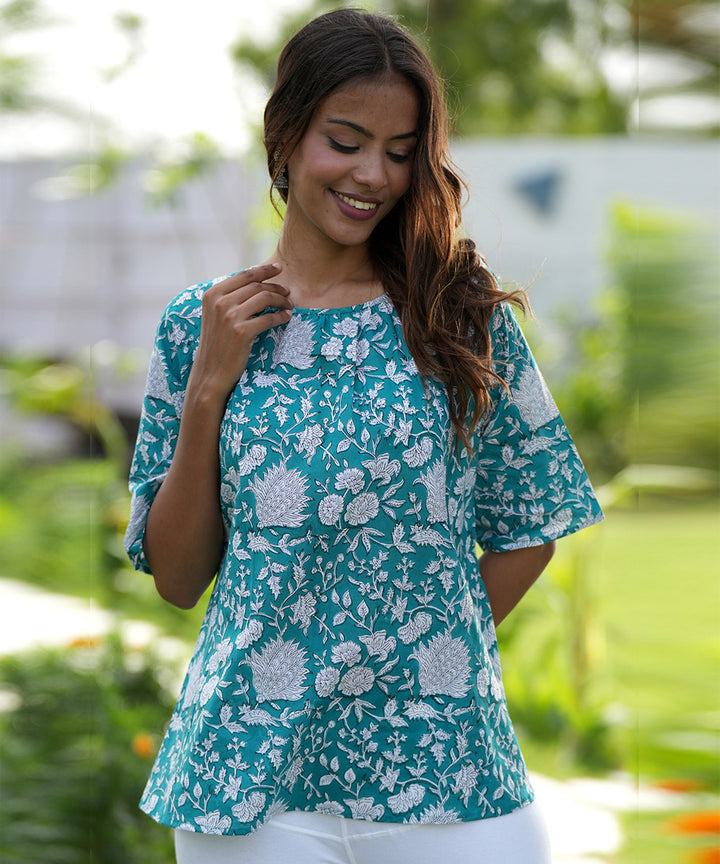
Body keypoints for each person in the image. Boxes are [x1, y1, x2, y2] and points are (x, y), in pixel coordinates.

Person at [124, 9, 604, 863]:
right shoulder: (201, 324)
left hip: (445, 765)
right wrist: (208, 388)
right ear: (284, 137)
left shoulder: (458, 317)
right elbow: (179, 578)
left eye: (400, 150)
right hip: (249, 776)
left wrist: (416, 660)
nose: (372, 175)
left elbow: (532, 524)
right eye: (344, 142)